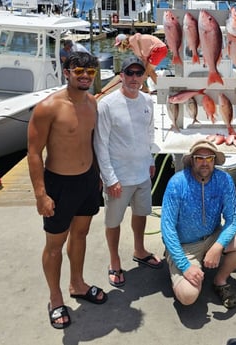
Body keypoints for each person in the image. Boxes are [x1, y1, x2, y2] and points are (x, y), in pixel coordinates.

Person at [27, 51, 107, 330]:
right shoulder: (48, 107)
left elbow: (93, 141)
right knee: (54, 245)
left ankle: (77, 283)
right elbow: (34, 153)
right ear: (66, 72)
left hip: (87, 180)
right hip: (58, 184)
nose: (85, 76)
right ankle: (55, 297)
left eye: (90, 72)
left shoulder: (93, 104)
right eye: (79, 71)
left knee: (81, 234)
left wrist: (97, 174)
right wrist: (41, 194)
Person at [94, 56, 162, 288]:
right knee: (113, 221)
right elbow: (100, 144)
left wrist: (151, 158)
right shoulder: (106, 104)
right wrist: (109, 178)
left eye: (138, 73)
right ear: (121, 76)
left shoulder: (147, 101)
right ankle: (114, 261)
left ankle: (140, 250)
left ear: (144, 76)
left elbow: (149, 133)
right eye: (129, 73)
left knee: (141, 213)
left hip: (143, 171)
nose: (134, 78)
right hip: (118, 177)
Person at [160, 140, 236, 309]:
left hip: (212, 236)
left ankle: (220, 280)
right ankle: (177, 267)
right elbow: (167, 228)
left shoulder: (224, 179)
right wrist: (185, 265)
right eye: (199, 158)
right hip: (184, 246)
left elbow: (234, 217)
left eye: (209, 158)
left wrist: (218, 246)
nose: (204, 163)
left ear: (214, 161)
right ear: (192, 161)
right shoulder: (177, 183)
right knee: (188, 297)